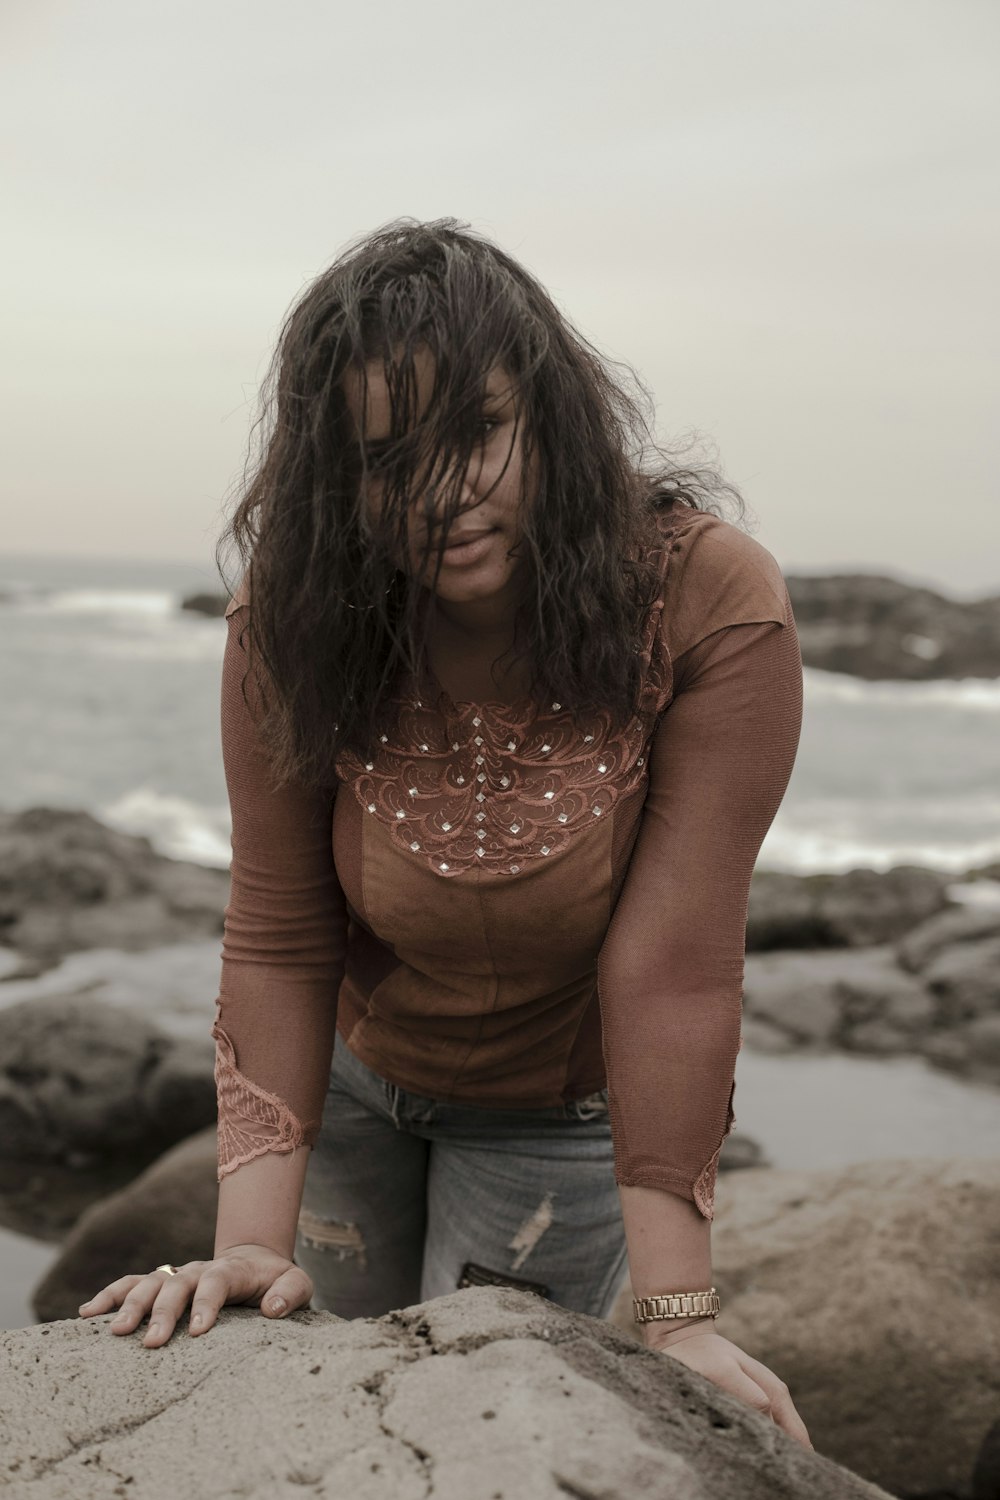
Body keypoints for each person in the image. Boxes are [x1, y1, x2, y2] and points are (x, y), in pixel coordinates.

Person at [79, 217, 811, 1449]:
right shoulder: (298, 615)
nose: (446, 493)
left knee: (484, 1441)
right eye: (384, 457)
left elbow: (673, 966)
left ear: (547, 411)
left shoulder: (702, 600)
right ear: (333, 478)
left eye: (476, 432)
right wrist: (246, 1252)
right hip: (356, 1085)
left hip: (560, 1112)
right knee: (304, 1422)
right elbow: (278, 931)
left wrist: (678, 1316)